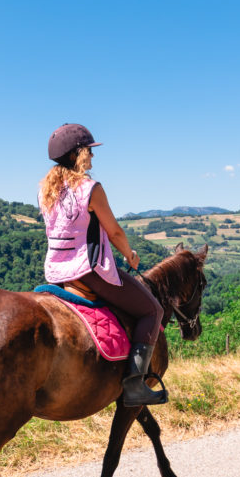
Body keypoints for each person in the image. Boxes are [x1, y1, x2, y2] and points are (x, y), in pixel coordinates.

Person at [39, 123, 167, 407]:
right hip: (88, 270)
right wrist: (130, 256)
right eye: (89, 152)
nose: (93, 158)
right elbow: (115, 232)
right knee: (152, 309)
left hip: (56, 271)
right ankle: (135, 385)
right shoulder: (90, 188)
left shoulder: (46, 191)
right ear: (78, 154)